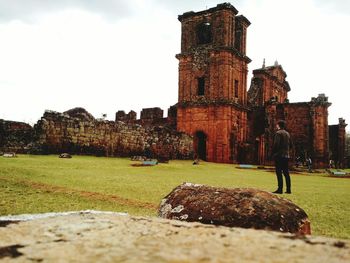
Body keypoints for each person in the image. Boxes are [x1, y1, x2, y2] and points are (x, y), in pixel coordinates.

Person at [272, 120, 293, 194]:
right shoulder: (287, 134)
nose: (276, 126)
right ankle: (288, 189)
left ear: (278, 125)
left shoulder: (278, 133)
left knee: (278, 172)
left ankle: (280, 189)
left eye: (276, 125)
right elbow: (291, 145)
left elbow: (276, 144)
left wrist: (274, 153)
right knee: (286, 173)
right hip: (286, 155)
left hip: (279, 155)